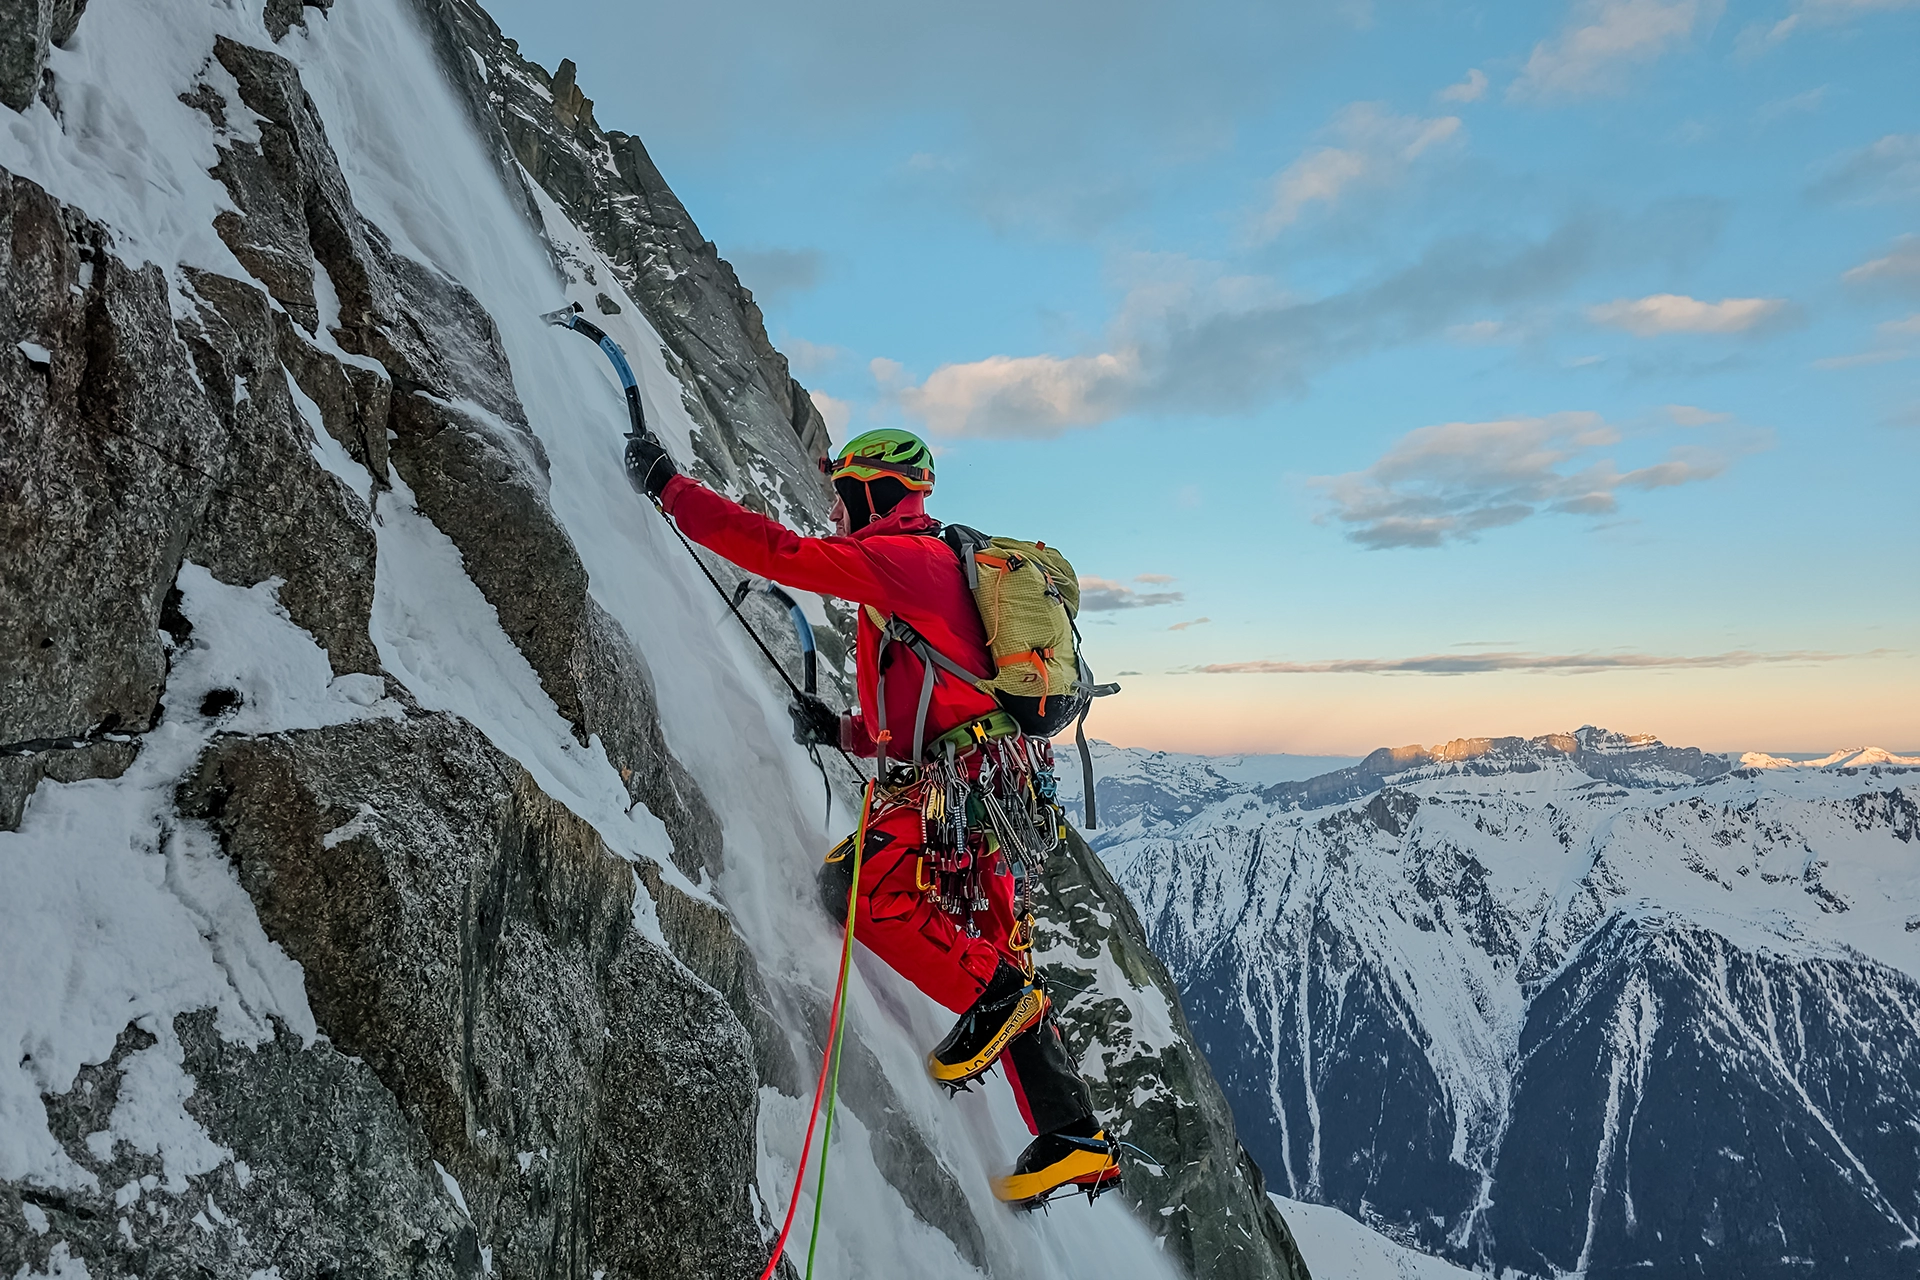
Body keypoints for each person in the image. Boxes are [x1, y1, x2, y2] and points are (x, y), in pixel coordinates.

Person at [624, 425, 1119, 1206]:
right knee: (1000, 950)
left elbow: (783, 554)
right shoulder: (940, 561)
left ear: (871, 490)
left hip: (958, 789)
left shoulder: (903, 558)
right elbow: (938, 694)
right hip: (991, 788)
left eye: (842, 494)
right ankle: (1073, 1133)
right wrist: (846, 732)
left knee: (858, 887)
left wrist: (670, 488)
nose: (833, 510)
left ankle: (993, 995)